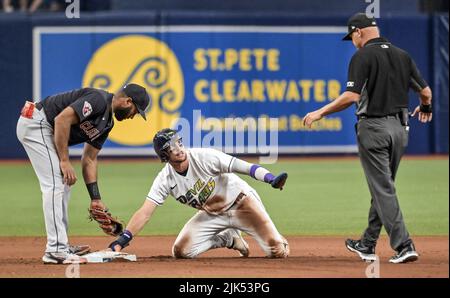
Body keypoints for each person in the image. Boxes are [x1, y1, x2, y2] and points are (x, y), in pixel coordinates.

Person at [303, 13, 432, 264]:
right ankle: (368, 243)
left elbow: (352, 96)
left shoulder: (362, 56)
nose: (352, 40)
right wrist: (425, 108)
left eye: (351, 36)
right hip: (400, 130)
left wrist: (320, 112)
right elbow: (425, 92)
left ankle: (404, 245)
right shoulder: (402, 55)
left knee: (382, 188)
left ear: (358, 32)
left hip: (374, 128)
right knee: (383, 188)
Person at [16, 83, 150, 264]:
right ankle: (56, 251)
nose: (133, 116)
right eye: (135, 110)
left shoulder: (107, 123)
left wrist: (95, 198)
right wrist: (64, 161)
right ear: (127, 101)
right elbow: (61, 120)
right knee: (55, 183)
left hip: (44, 128)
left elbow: (89, 159)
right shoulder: (99, 100)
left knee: (64, 184)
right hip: (37, 121)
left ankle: (60, 245)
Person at [108, 129, 290, 259]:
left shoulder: (204, 157)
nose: (178, 148)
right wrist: (122, 240)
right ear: (164, 155)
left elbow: (245, 167)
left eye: (179, 143)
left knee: (277, 252)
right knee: (181, 251)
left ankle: (278, 239)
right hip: (212, 214)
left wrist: (270, 178)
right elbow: (145, 212)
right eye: (171, 147)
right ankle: (228, 238)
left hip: (242, 205)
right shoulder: (165, 179)